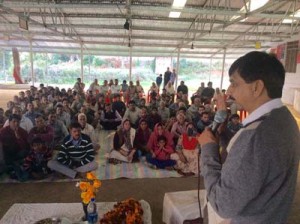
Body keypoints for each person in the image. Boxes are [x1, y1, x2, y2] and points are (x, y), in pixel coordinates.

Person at [198, 51, 300, 224]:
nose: (229, 91)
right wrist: (222, 136)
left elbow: (223, 205)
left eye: (234, 84)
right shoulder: (284, 119)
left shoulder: (256, 137)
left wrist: (208, 151)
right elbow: (249, 164)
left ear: (256, 87)